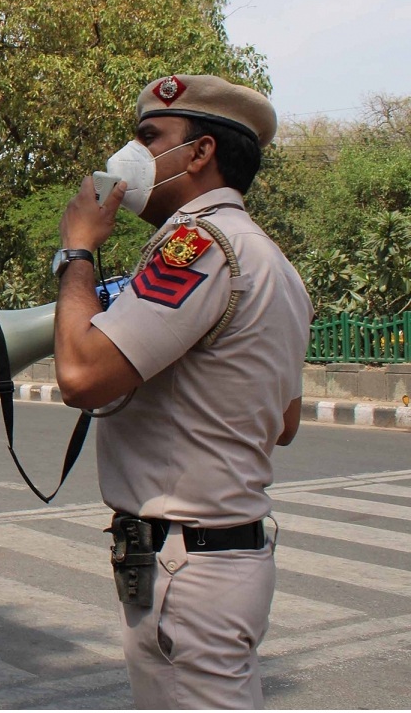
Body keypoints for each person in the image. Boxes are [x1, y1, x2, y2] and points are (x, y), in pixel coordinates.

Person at [52, 74, 313, 709]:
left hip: (187, 568)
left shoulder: (197, 245)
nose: (129, 156)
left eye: (149, 137)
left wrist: (78, 249)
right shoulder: (270, 260)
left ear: (199, 154)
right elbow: (283, 419)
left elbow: (83, 375)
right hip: (224, 562)